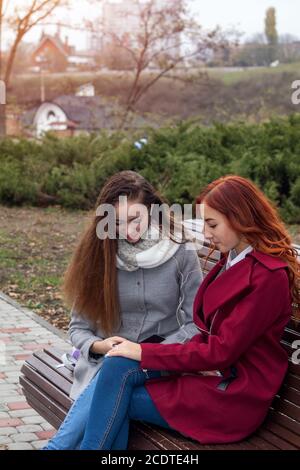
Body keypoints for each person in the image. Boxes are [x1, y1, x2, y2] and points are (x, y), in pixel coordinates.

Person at [75, 175, 299, 450]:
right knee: (116, 365)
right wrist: (137, 351)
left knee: (115, 395)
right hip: (209, 379)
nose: (205, 234)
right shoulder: (233, 260)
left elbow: (220, 351)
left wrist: (143, 352)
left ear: (239, 217)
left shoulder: (267, 277)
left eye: (212, 224)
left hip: (235, 397)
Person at [43, 170, 202, 450]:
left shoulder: (180, 250)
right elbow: (78, 328)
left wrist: (152, 352)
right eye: (117, 223)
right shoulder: (99, 253)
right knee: (114, 383)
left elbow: (195, 323)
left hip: (160, 364)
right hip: (105, 365)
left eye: (134, 219)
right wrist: (100, 345)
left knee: (115, 384)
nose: (128, 232)